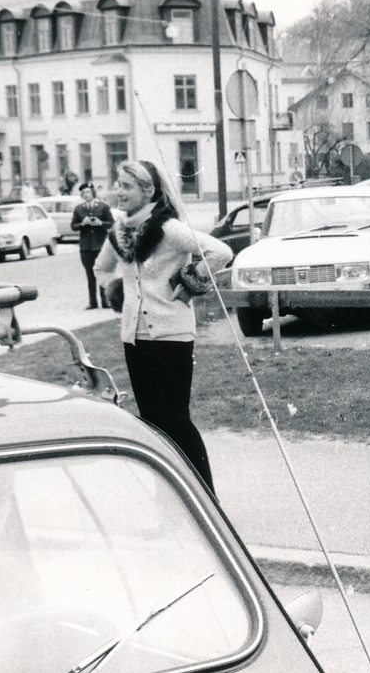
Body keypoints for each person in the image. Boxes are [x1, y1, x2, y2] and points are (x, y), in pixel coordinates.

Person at [94, 160, 232, 492]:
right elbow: (101, 269)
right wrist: (116, 291)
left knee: (176, 421)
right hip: (134, 338)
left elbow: (220, 251)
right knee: (153, 424)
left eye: (126, 186)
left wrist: (188, 283)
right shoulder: (120, 232)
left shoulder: (169, 229)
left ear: (148, 191)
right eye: (117, 183)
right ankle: (170, 495)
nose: (118, 191)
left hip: (171, 334)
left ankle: (206, 496)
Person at [70, 182, 115, 310]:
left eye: (87, 192)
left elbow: (111, 223)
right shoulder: (79, 208)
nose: (85, 195)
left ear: (92, 192)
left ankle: (105, 301)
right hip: (86, 247)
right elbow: (73, 226)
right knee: (90, 274)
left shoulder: (102, 207)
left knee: (101, 272)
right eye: (83, 193)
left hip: (100, 245)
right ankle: (92, 302)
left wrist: (101, 223)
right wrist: (82, 224)